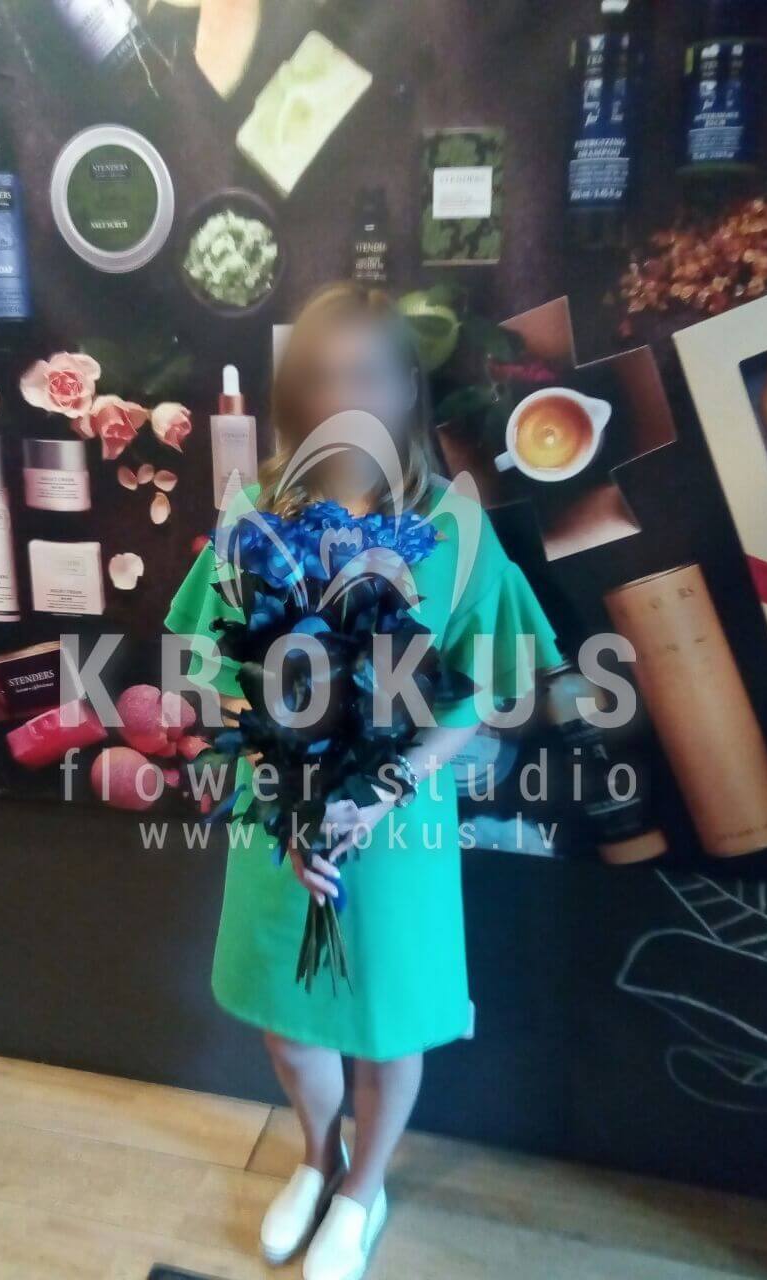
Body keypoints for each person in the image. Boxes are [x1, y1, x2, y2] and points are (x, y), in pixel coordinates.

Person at [165, 283, 561, 1280]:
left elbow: (490, 680)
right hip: (279, 819)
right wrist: (283, 786)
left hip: (395, 823)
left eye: (370, 374)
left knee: (385, 1026)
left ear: (407, 387)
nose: (347, 396)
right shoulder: (255, 517)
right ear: (294, 394)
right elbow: (217, 667)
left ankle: (363, 1188)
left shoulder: (453, 529)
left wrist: (385, 786)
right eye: (324, 377)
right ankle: (319, 1157)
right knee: (289, 1028)